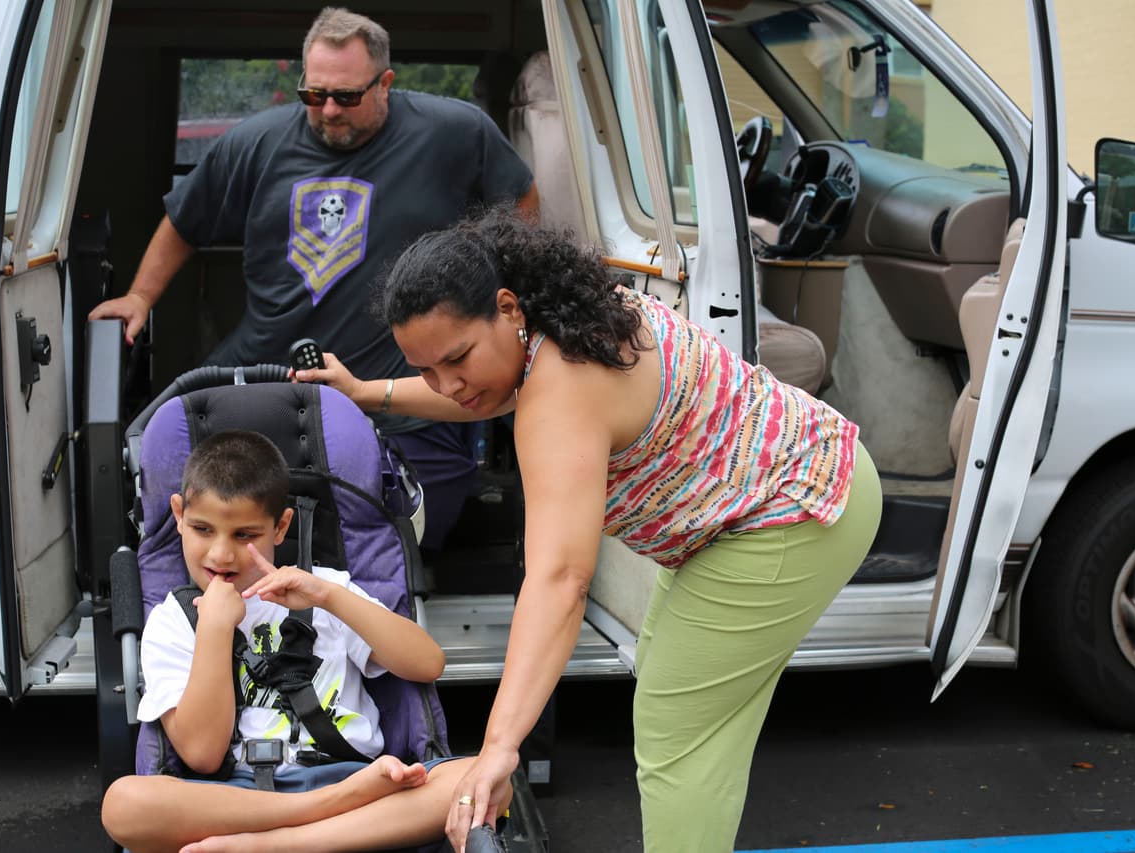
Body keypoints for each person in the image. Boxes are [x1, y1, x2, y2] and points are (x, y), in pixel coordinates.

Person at [295, 208, 883, 853]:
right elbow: (481, 392)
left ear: (507, 307)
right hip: (799, 476)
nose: (446, 384)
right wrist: (368, 393)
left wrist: (498, 748)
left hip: (788, 513)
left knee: (676, 735)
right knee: (684, 715)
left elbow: (560, 579)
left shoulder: (564, 389)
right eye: (426, 368)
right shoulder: (559, 321)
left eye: (456, 357)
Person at [88, 7, 539, 550]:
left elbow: (520, 200)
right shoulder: (253, 143)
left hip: (407, 404)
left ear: (385, 84)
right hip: (271, 387)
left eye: (346, 97)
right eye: (314, 94)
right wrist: (140, 296)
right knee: (194, 512)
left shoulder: (455, 132)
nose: (328, 110)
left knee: (391, 543)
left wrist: (516, 294)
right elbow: (186, 221)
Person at [100, 429, 496, 853]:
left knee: (487, 779)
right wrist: (214, 628)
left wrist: (329, 598)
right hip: (243, 799)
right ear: (177, 515)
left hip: (348, 776)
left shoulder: (325, 588)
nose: (221, 555)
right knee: (123, 803)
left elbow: (427, 663)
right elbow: (202, 755)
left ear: (280, 527)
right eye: (202, 529)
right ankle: (311, 820)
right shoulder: (172, 622)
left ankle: (270, 847)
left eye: (244, 535)